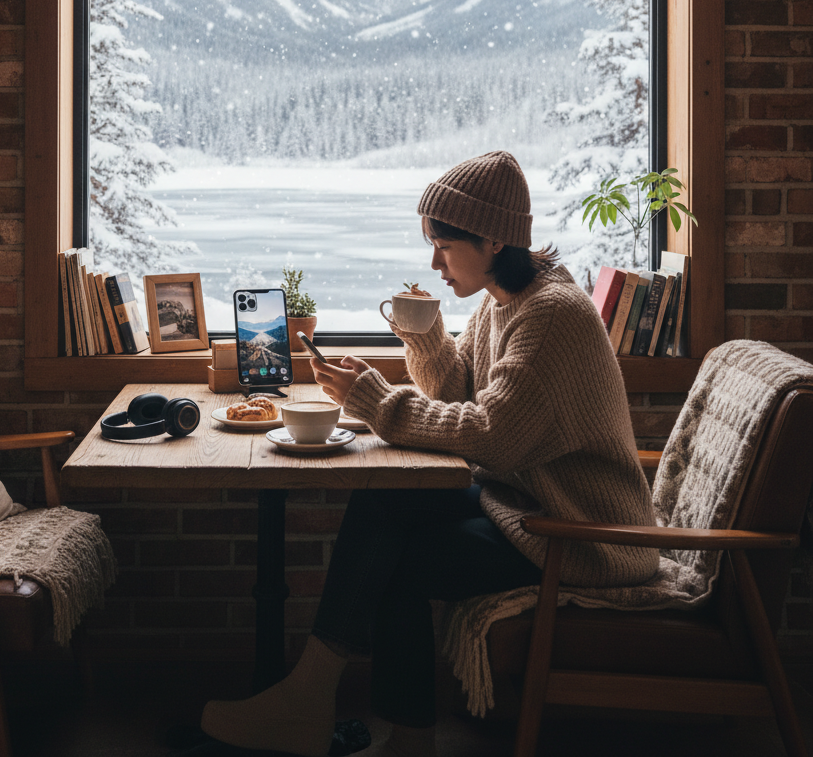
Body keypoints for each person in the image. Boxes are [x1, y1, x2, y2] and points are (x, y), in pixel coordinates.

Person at [201, 150, 658, 757]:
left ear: (493, 239)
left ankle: (363, 719)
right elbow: (457, 392)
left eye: (443, 245)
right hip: (523, 503)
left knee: (400, 559)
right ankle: (318, 701)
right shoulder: (506, 301)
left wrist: (377, 402)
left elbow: (492, 434)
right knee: (385, 502)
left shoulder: (551, 315)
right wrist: (423, 336)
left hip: (579, 533)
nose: (434, 261)